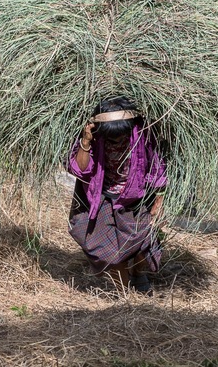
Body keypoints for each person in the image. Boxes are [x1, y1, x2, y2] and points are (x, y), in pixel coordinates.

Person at [67, 97, 167, 293]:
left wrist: (158, 202)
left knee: (142, 243)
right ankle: (125, 294)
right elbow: (80, 169)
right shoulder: (94, 137)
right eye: (113, 138)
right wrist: (86, 141)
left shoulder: (143, 135)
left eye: (122, 136)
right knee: (110, 252)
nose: (118, 141)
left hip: (137, 198)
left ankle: (139, 274)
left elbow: (157, 168)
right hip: (102, 198)